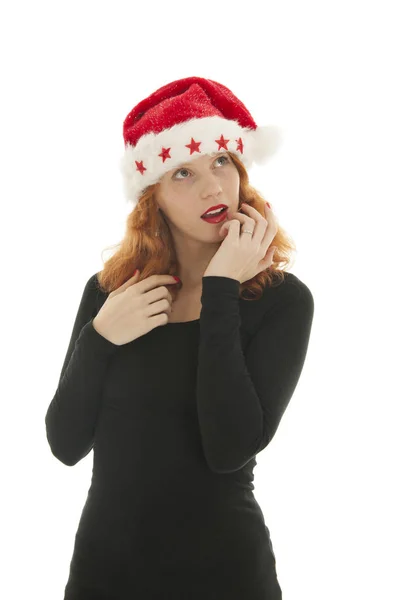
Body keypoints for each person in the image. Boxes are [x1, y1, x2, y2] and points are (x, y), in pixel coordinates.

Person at [45, 76, 314, 599]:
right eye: (183, 173)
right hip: (104, 577)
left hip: (226, 578)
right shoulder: (109, 294)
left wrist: (220, 291)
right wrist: (99, 339)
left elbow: (228, 447)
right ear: (154, 199)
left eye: (221, 162)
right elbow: (65, 443)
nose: (213, 187)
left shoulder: (282, 302)